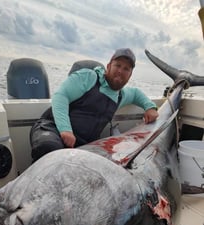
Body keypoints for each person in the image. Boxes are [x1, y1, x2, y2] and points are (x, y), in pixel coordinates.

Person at [30, 48, 158, 161]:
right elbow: (60, 96)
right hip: (53, 129)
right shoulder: (89, 77)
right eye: (118, 65)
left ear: (130, 75)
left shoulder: (121, 95)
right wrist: (65, 129)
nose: (120, 71)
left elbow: (136, 93)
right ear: (108, 66)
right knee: (49, 150)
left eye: (126, 69)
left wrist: (150, 107)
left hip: (83, 145)